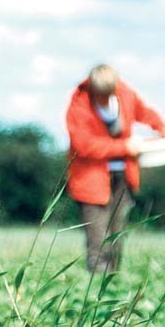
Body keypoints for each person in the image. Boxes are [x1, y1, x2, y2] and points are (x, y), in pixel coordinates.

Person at [65, 63, 165, 273]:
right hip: (90, 181)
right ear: (93, 89)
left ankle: (114, 283)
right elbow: (85, 146)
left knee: (118, 235)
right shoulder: (78, 104)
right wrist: (125, 147)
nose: (105, 98)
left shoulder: (124, 93)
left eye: (110, 93)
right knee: (99, 239)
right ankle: (98, 289)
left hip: (123, 176)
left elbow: (144, 112)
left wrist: (162, 129)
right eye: (100, 94)